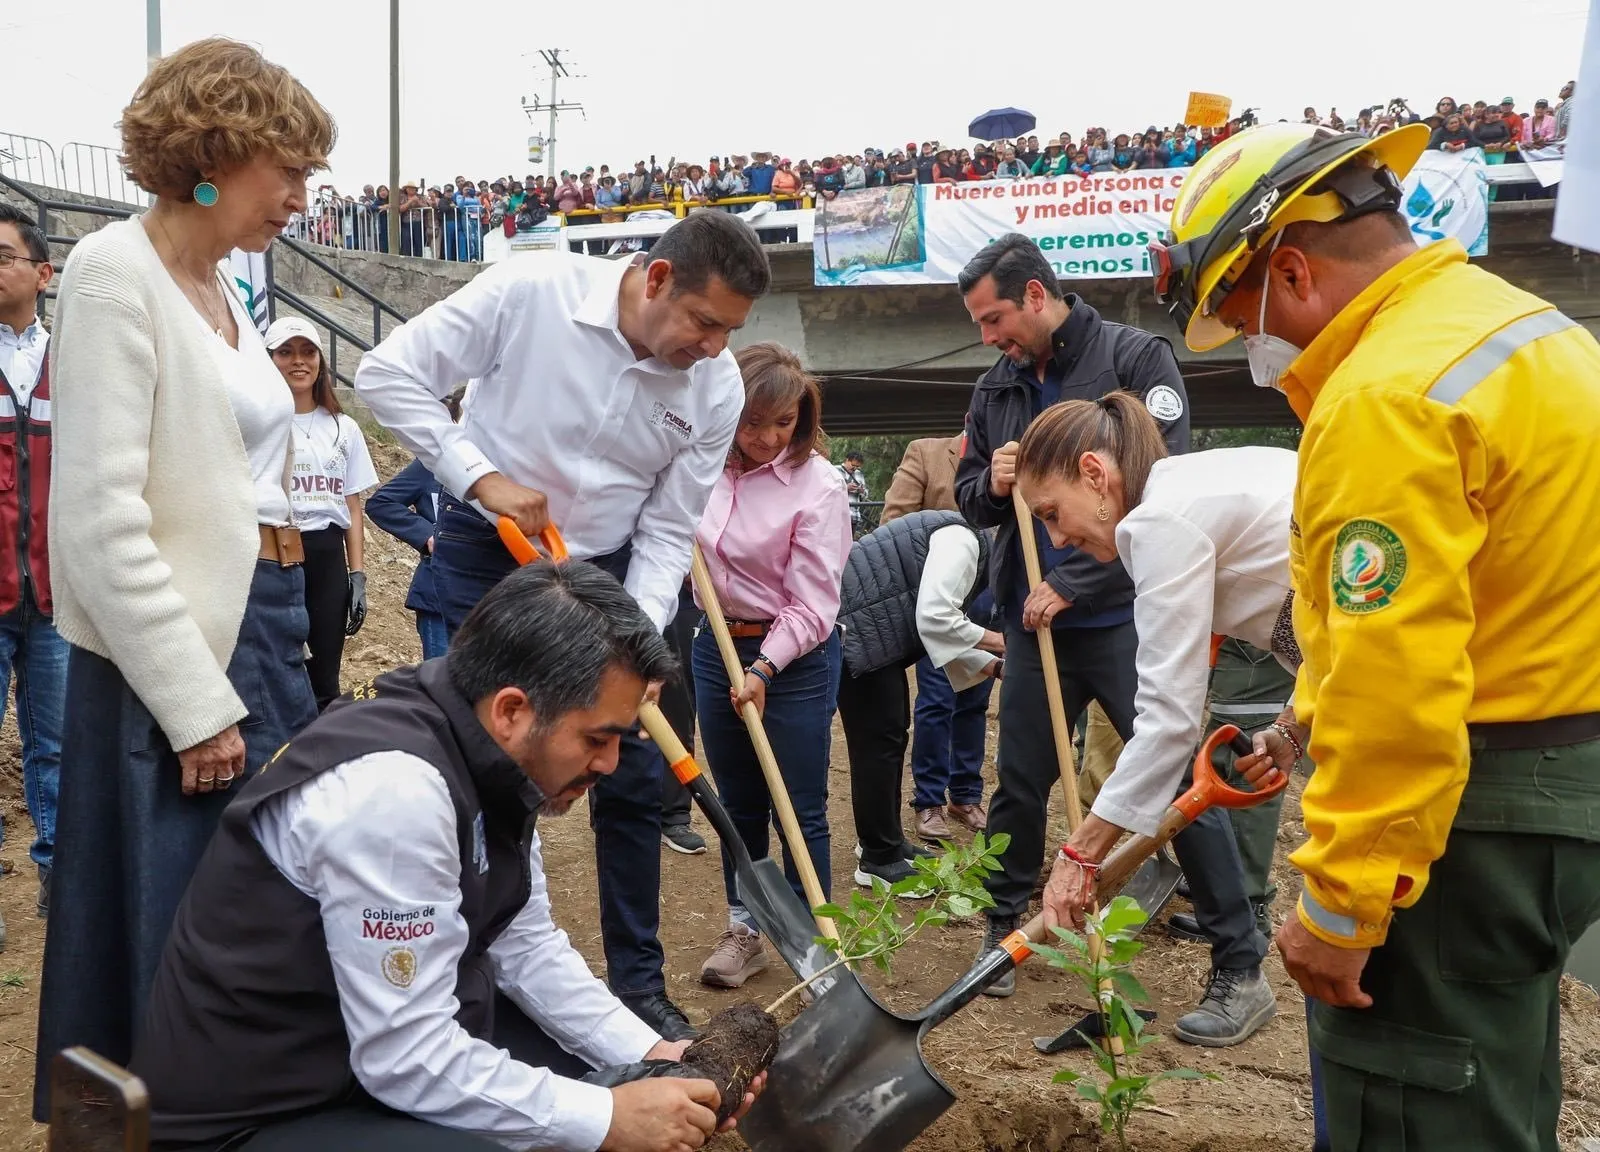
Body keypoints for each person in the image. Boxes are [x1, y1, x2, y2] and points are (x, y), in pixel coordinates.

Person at [1154, 118, 1600, 1152]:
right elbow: (1492, 595)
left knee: (1411, 1109)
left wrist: (1345, 905)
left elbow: (1391, 676)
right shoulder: (1536, 336)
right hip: (1563, 784)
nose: (1258, 347)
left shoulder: (1387, 395)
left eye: (1240, 315)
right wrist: (1299, 729)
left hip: (1467, 822)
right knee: (1493, 1087)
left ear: (1294, 272)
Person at [131, 562, 764, 1152]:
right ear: (513, 709)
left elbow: (525, 947)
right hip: (255, 1115)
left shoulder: (491, 753)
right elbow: (405, 1056)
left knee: (606, 1084)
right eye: (597, 739)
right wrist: (607, 1120)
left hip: (346, 1066)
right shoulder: (395, 796)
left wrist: (655, 1052)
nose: (610, 765)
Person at [354, 210, 771, 1041]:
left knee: (629, 773)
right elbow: (384, 374)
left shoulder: (715, 388)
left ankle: (637, 984)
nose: (716, 348)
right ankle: (460, 973)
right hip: (489, 544)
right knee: (474, 759)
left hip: (612, 570)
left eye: (731, 331)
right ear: (656, 280)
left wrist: (636, 641)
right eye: (705, 322)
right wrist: (479, 477)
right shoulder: (531, 290)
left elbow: (665, 529)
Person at [33, 38, 331, 1111]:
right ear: (214, 152)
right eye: (286, 170)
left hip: (257, 624)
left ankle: (218, 1115)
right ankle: (155, 1129)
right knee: (161, 937)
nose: (301, 197)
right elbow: (102, 527)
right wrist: (196, 703)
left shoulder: (220, 285)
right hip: (169, 664)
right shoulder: (116, 272)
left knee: (246, 914)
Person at [953, 232, 1190, 998]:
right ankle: (1003, 921)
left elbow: (1161, 485)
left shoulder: (1133, 360)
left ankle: (1236, 946)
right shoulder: (996, 389)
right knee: (1020, 780)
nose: (989, 339)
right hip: (1035, 624)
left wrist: (1079, 581)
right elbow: (966, 502)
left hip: (1123, 612)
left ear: (1034, 295)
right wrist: (991, 485)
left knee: (1179, 775)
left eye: (994, 320)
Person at [1018, 393, 1284, 1046]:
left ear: (1093, 474)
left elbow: (1166, 721)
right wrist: (1298, 727)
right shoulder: (1189, 490)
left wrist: (1081, 853)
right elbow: (1332, 628)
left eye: (1053, 513)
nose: (1055, 540)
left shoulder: (1160, 521)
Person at [693, 343, 849, 990]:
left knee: (799, 806)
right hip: (716, 647)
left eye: (782, 423)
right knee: (739, 804)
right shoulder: (699, 468)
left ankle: (813, 944)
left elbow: (813, 605)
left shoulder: (820, 487)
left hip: (796, 661)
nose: (766, 438)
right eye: (753, 423)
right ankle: (747, 929)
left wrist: (762, 669)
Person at [836, 509, 1005, 887]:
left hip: (871, 632)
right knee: (878, 742)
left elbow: (936, 627)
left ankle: (886, 842)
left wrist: (994, 666)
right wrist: (999, 643)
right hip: (857, 630)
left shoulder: (964, 537)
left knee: (890, 735)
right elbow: (936, 618)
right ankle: (878, 858)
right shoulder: (964, 541)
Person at [0, 203, 66, 943]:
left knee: (55, 747)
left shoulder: (71, 361)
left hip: (52, 596)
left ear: (42, 273)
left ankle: (58, 877)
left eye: (4, 256)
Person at [879, 430, 992, 840]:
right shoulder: (926, 453)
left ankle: (965, 794)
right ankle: (928, 800)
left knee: (976, 699)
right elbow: (894, 523)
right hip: (941, 598)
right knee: (937, 699)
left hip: (989, 593)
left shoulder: (1011, 461)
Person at [267, 317, 376, 710]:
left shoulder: (343, 427)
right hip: (276, 551)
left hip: (328, 553)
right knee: (278, 666)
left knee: (325, 674)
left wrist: (357, 574)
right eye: (285, 352)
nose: (298, 361)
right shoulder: (262, 423)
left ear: (320, 362)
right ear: (270, 359)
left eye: (307, 352)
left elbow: (352, 503)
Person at [365, 389, 465, 660]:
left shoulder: (508, 471)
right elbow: (381, 504)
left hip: (493, 601)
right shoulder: (432, 466)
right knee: (442, 686)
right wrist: (429, 535)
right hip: (437, 600)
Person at [837, 449, 869, 535]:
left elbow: (866, 494)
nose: (854, 468)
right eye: (853, 465)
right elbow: (828, 490)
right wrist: (846, 488)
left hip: (853, 516)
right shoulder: (835, 470)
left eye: (857, 467)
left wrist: (862, 491)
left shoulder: (859, 474)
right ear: (847, 460)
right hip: (837, 515)